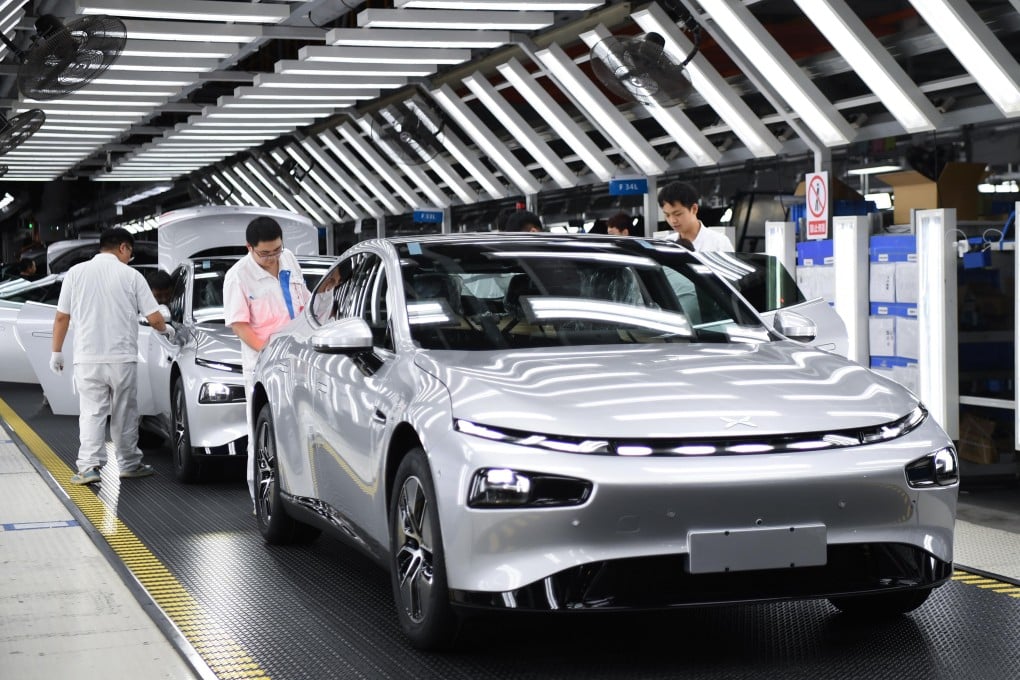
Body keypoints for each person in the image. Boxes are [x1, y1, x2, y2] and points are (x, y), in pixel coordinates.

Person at [50, 227, 175, 485]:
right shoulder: (132, 276)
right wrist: (168, 330)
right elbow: (154, 318)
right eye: (131, 252)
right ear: (123, 248)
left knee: (92, 412)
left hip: (87, 358)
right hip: (122, 358)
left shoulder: (75, 273)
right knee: (125, 413)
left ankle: (89, 467)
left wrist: (56, 351)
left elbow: (62, 316)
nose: (131, 257)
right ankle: (129, 463)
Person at [223, 217, 311, 505]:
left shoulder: (289, 260)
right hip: (263, 364)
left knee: (300, 430)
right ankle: (261, 501)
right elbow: (240, 325)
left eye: (276, 250)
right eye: (265, 253)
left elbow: (304, 302)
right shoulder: (238, 276)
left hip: (299, 359)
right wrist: (269, 353)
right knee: (263, 432)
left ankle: (299, 495)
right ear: (249, 248)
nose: (273, 258)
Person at [657, 181, 734, 252]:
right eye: (667, 215)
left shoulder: (719, 243)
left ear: (694, 209)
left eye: (678, 214)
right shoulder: (666, 244)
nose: (672, 220)